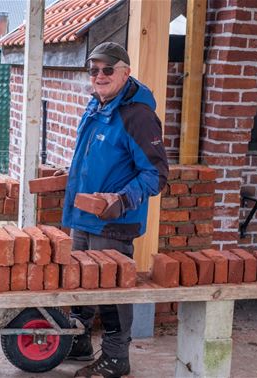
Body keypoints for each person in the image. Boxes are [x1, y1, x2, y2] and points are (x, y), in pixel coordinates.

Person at [61, 42, 168, 377]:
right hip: (82, 216)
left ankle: (116, 357)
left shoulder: (137, 116)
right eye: (94, 70)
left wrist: (121, 200)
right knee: (81, 282)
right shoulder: (95, 107)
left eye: (108, 69)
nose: (100, 75)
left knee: (112, 291)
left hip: (114, 223)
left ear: (126, 72)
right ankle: (78, 342)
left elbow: (156, 174)